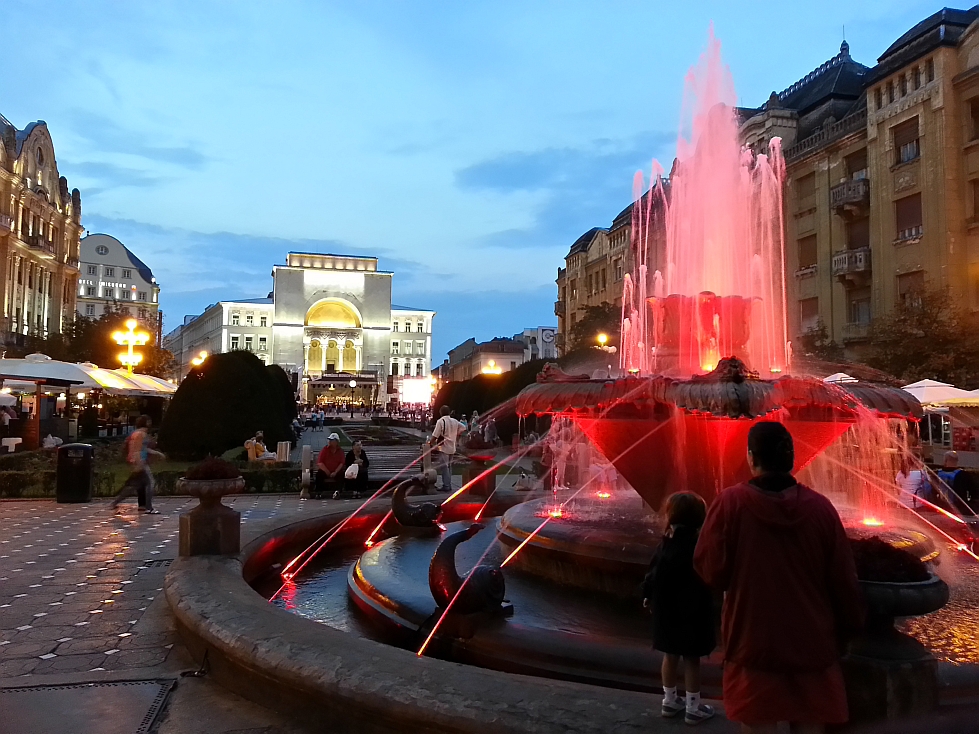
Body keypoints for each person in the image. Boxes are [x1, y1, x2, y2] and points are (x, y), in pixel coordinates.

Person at [693, 421, 864, 733]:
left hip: (753, 640)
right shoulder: (821, 509)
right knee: (811, 720)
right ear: (791, 458)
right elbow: (843, 578)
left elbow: (711, 570)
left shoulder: (730, 504)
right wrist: (851, 628)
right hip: (813, 639)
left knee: (758, 722)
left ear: (750, 457)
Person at [642, 492, 716, 725]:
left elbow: (653, 573)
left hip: (667, 611)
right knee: (692, 659)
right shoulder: (699, 546)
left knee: (670, 655)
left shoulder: (666, 543)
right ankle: (693, 707)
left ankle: (669, 700)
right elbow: (710, 576)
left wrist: (647, 595)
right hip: (692, 612)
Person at [111, 415, 164, 515]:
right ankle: (149, 508)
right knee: (150, 483)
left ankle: (115, 502)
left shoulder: (137, 433)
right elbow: (137, 450)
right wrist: (139, 463)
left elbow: (142, 448)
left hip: (137, 461)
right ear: (146, 422)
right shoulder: (140, 434)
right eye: (148, 421)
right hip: (140, 462)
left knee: (134, 485)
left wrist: (156, 453)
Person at [430, 405, 465, 492]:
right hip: (452, 446)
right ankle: (448, 484)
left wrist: (430, 443)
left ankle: (446, 486)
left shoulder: (441, 421)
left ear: (441, 412)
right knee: (449, 467)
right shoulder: (454, 421)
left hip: (444, 447)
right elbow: (464, 427)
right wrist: (457, 434)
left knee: (444, 467)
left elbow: (435, 435)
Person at [316, 432, 346, 498]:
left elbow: (342, 463)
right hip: (326, 471)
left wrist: (335, 472)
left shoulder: (340, 451)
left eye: (332, 440)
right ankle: (318, 493)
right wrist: (327, 471)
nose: (329, 441)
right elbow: (320, 462)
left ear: (336, 442)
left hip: (336, 471)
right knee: (319, 475)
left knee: (341, 475)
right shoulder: (325, 450)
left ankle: (337, 492)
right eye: (329, 440)